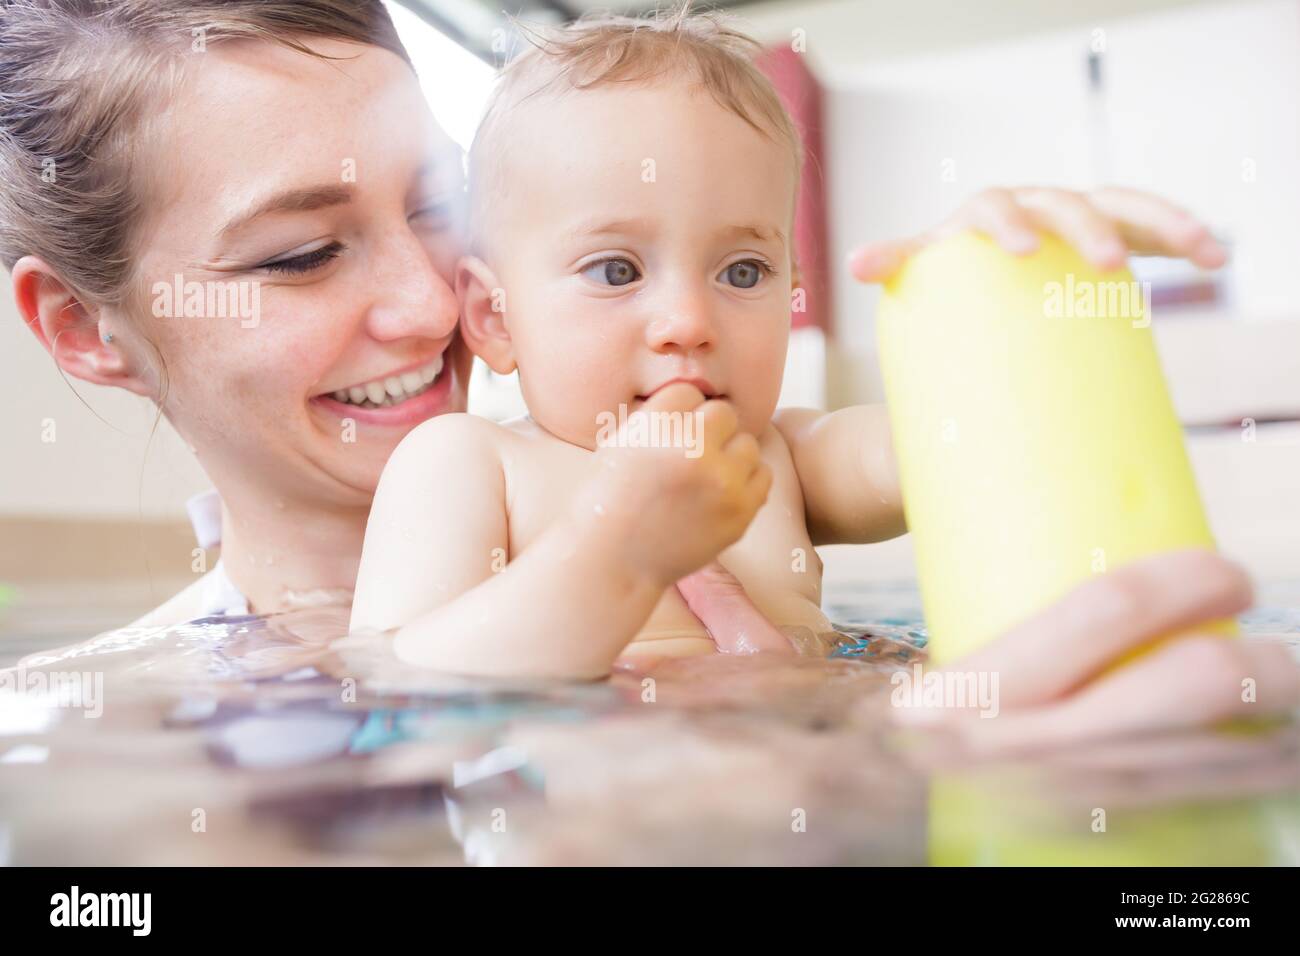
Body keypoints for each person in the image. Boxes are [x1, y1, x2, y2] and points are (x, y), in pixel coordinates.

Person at [2, 1, 1286, 736]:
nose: (425, 296)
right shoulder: (85, 734)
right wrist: (616, 558)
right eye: (300, 252)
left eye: (437, 204)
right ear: (80, 326)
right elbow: (411, 684)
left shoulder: (770, 450)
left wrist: (996, 291)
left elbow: (962, 439)